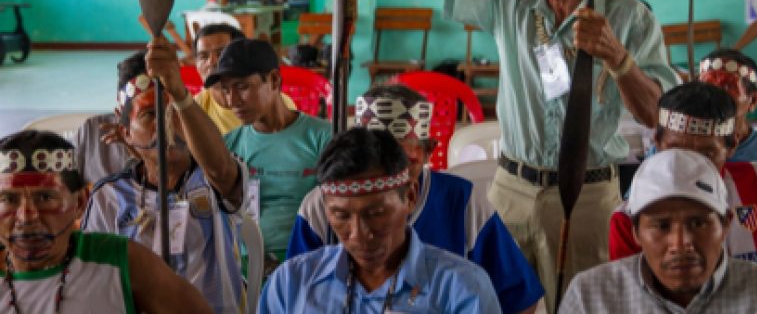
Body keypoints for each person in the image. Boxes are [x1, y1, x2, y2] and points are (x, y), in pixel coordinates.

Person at [406, 0, 678, 312]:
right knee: (501, 304)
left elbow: (661, 115)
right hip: (510, 190)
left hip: (589, 196)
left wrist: (618, 58)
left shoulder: (631, 17)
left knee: (584, 306)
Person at [287, 84, 544, 313]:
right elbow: (296, 293)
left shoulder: (463, 203)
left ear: (429, 151)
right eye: (374, 160)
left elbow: (518, 298)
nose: (390, 171)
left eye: (404, 159)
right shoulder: (322, 205)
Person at [82, 38, 248, 314]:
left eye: (174, 112)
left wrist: (181, 94)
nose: (167, 125)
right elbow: (93, 277)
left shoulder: (214, 181)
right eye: (149, 114)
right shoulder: (109, 196)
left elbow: (220, 168)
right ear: (125, 133)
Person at [259, 127, 502, 313]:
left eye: (375, 214)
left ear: (410, 196)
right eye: (341, 216)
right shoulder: (291, 284)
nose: (358, 234)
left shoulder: (462, 287)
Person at [0, 130, 216, 314]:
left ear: (80, 203)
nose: (26, 217)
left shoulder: (121, 260)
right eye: (8, 200)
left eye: (46, 198)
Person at [563, 148, 757, 313]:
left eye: (698, 223)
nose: (680, 243)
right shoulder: (590, 296)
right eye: (661, 226)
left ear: (726, 224)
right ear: (635, 231)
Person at [610, 81, 757, 267]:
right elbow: (629, 291)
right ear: (657, 143)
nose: (691, 164)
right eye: (677, 151)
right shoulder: (631, 216)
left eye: (706, 154)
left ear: (732, 145)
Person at [208, 38, 332, 266]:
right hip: (246, 266)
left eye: (242, 87)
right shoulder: (227, 147)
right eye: (226, 90)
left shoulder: (323, 138)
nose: (233, 100)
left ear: (274, 80)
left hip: (311, 262)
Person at [639, 49, 757, 190]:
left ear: (754, 100)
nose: (714, 94)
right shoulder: (669, 147)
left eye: (729, 87)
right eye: (707, 85)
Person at [192, 23, 296, 135]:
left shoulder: (273, 105)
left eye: (221, 53)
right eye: (203, 56)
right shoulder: (193, 108)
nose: (211, 62)